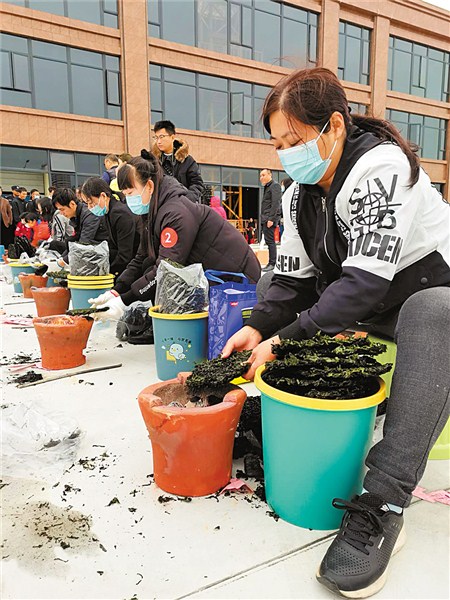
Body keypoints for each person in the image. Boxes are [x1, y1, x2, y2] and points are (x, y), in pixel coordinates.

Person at [222, 67, 450, 599]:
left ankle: (385, 501)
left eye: (295, 140)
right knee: (298, 334)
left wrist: (287, 338)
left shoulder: (381, 168)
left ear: (335, 127)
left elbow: (362, 287)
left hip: (435, 299)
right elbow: (293, 284)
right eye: (278, 143)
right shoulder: (301, 196)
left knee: (432, 313)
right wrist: (257, 329)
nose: (286, 153)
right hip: (381, 307)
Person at [89, 150, 260, 319]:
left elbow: (167, 269)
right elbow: (141, 257)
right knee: (148, 269)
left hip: (237, 280)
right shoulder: (152, 212)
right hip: (213, 277)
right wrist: (116, 290)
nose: (128, 200)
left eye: (130, 193)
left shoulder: (175, 214)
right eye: (125, 195)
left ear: (149, 186)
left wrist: (125, 301)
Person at [81, 177, 140, 277]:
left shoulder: (120, 214)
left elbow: (125, 255)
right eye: (87, 204)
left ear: (103, 196)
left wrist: (106, 274)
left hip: (134, 266)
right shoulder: (108, 213)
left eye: (91, 203)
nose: (90, 207)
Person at [152, 120, 204, 203]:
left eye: (161, 137)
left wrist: (186, 200)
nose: (158, 141)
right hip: (159, 207)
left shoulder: (187, 160)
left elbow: (197, 184)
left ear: (172, 137)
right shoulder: (152, 161)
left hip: (182, 207)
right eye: (156, 137)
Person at [50, 188, 108, 262]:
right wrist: (60, 259)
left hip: (102, 255)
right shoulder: (76, 217)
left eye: (62, 209)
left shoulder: (89, 215)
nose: (61, 213)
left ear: (72, 204)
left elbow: (83, 246)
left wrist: (62, 262)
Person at [259, 168, 281, 272]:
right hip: (265, 218)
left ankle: (272, 263)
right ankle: (271, 262)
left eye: (263, 175)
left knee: (270, 241)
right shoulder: (267, 187)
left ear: (269, 175)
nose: (261, 178)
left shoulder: (275, 186)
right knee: (268, 241)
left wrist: (271, 219)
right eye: (260, 176)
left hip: (269, 218)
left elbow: (276, 203)